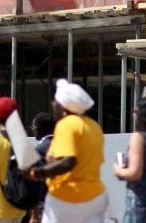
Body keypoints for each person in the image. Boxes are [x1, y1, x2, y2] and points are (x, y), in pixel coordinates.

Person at [27, 79, 107, 223]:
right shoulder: (94, 126)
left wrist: (39, 172)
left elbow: (69, 161)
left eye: (55, 102)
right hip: (95, 196)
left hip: (68, 198)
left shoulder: (67, 124)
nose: (53, 104)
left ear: (63, 106)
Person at [29, 113, 56, 223]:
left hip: (47, 205)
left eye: (33, 127)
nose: (32, 130)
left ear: (38, 129)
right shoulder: (64, 145)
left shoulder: (39, 150)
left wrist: (34, 215)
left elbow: (33, 184)